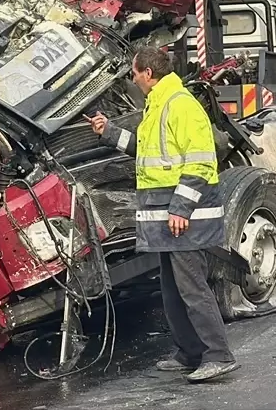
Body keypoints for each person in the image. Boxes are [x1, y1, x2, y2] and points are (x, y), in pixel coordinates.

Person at [89, 46, 238, 383]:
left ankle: (218, 354)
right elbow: (146, 148)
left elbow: (200, 161)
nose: (132, 78)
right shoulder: (158, 105)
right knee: (172, 290)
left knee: (193, 288)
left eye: (134, 72)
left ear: (147, 74)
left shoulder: (181, 105)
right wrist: (108, 131)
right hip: (166, 218)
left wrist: (181, 208)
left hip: (184, 217)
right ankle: (189, 352)